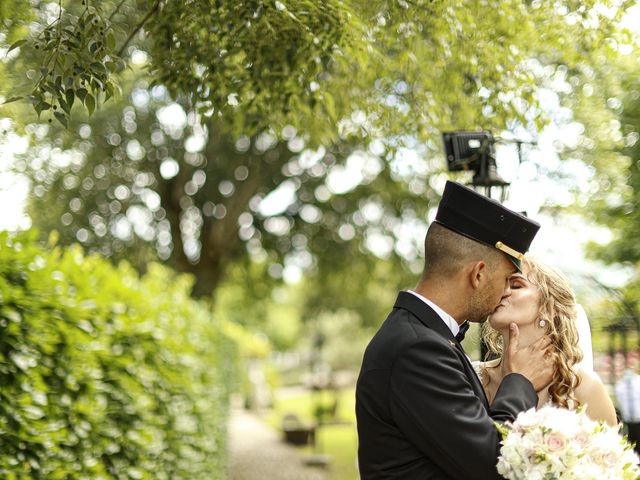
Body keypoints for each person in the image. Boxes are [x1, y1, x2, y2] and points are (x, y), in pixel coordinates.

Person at [355, 181, 554, 479]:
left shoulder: (425, 335)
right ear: (478, 274)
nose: (504, 294)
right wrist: (519, 382)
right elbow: (493, 462)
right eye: (506, 280)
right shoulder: (417, 348)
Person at [477, 257, 617, 426]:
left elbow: (608, 452)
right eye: (500, 283)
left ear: (550, 308)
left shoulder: (583, 386)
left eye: (515, 285)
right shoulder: (469, 375)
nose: (501, 291)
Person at [615, 368, 640, 455]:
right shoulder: (620, 386)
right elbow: (620, 402)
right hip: (628, 420)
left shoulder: (638, 383)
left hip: (638, 419)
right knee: (631, 441)